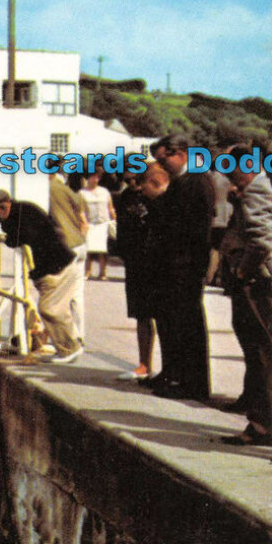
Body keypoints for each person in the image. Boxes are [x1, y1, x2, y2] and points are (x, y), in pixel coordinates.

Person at [148, 134, 217, 400]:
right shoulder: (186, 181)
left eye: (165, 160)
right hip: (177, 263)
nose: (162, 166)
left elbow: (194, 227)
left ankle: (192, 384)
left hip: (185, 265)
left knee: (187, 325)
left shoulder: (196, 181)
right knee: (175, 322)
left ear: (181, 154)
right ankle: (175, 374)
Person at [0, 189, 81, 363]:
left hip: (58, 267)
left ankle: (70, 349)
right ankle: (70, 345)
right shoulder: (21, 212)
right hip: (53, 267)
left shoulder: (23, 215)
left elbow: (22, 237)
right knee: (56, 309)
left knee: (50, 309)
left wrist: (11, 238)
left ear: (3, 206)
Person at [216, 145, 272, 445]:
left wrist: (242, 272)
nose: (228, 179)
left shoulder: (257, 190)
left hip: (257, 281)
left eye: (231, 171)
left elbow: (261, 241)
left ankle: (262, 425)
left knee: (262, 351)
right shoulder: (258, 188)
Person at [115, 162, 160, 381]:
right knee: (141, 314)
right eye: (128, 179)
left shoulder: (155, 196)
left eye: (137, 179)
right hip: (134, 263)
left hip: (154, 263)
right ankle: (144, 364)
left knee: (160, 315)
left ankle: (166, 368)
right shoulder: (124, 197)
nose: (133, 184)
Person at [49, 173, 90, 342]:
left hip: (65, 246)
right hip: (79, 244)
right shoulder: (72, 192)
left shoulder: (47, 190)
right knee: (77, 294)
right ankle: (79, 333)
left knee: (61, 294)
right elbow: (84, 222)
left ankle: (67, 336)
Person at [80, 170, 115, 280]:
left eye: (97, 177)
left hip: (103, 223)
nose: (95, 179)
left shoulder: (104, 191)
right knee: (88, 250)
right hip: (90, 223)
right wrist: (84, 222)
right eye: (92, 177)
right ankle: (87, 272)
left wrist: (114, 218)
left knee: (102, 250)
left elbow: (110, 207)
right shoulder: (82, 193)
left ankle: (103, 273)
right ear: (87, 179)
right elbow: (80, 210)